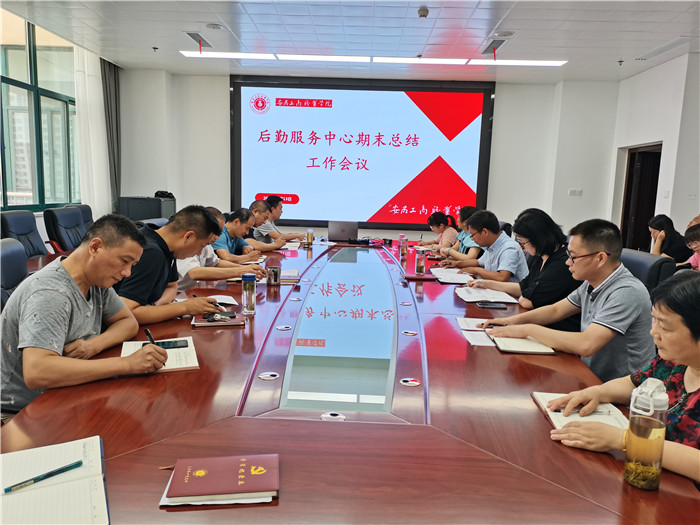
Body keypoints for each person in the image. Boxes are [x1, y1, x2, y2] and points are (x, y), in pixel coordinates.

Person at [1, 214, 168, 418]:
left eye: (132, 265)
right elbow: (37, 372)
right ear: (95, 247)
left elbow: (128, 322)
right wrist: (128, 364)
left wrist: (92, 346)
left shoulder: (96, 281)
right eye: (124, 261)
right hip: (21, 412)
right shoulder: (50, 293)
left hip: (66, 391)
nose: (127, 273)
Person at [548, 271, 700, 487]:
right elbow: (632, 383)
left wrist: (625, 440)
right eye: (654, 320)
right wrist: (596, 392)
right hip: (650, 475)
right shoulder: (673, 361)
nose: (653, 333)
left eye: (665, 327)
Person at [485, 219, 656, 382]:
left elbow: (586, 344)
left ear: (600, 258)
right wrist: (510, 321)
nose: (567, 262)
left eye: (573, 256)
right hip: (589, 375)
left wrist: (528, 329)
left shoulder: (626, 291)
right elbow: (555, 310)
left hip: (621, 390)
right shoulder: (591, 283)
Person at [468, 209, 580, 331]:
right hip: (537, 322)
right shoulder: (542, 256)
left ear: (537, 239)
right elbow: (522, 287)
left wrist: (524, 295)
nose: (522, 248)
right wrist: (486, 284)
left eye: (522, 243)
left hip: (556, 328)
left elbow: (528, 302)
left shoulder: (561, 264)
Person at [115, 205, 225, 324]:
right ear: (188, 236)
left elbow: (172, 287)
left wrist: (156, 308)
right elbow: (126, 313)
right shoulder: (151, 253)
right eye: (202, 246)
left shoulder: (168, 247)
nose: (199, 253)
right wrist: (185, 307)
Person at [177, 207, 265, 292]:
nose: (218, 237)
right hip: (181, 294)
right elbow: (194, 273)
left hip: (195, 290)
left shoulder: (206, 244)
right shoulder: (186, 243)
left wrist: (245, 268)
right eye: (216, 231)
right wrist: (239, 271)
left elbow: (216, 263)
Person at [446, 210, 528, 283]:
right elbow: (479, 262)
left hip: (508, 294)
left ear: (485, 232)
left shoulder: (509, 247)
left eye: (473, 235)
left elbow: (502, 277)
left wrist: (475, 270)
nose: (472, 239)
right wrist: (456, 264)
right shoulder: (491, 244)